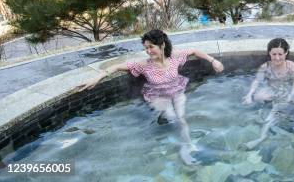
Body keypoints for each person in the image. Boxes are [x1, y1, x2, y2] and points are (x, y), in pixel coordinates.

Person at [78, 29, 224, 165]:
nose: (148, 51)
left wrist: (213, 61)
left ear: (162, 45)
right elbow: (116, 67)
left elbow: (194, 51)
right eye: (145, 48)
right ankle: (179, 143)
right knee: (172, 116)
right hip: (158, 95)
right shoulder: (144, 65)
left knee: (181, 119)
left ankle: (189, 146)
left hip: (176, 89)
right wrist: (96, 79)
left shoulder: (174, 57)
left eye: (151, 47)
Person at [242, 38, 294, 149]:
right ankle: (269, 112)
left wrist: (291, 94)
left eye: (280, 54)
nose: (277, 57)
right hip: (272, 91)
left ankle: (262, 136)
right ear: (269, 53)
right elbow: (257, 81)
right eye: (274, 54)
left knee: (278, 106)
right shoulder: (265, 67)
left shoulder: (293, 67)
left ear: (286, 53)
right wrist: (249, 95)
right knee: (258, 96)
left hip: (287, 91)